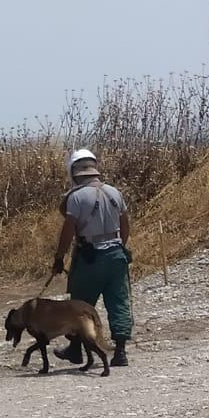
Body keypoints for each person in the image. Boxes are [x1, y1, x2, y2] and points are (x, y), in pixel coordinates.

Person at [52, 149, 134, 367]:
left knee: (79, 306)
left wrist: (59, 257)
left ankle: (76, 349)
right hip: (116, 255)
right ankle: (121, 352)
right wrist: (119, 248)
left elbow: (68, 231)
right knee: (118, 302)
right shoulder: (115, 192)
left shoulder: (76, 197)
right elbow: (125, 226)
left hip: (90, 258)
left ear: (74, 171)